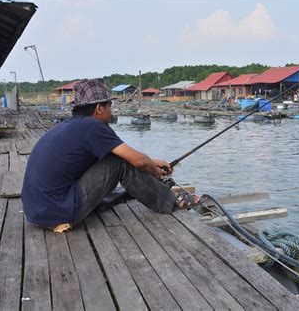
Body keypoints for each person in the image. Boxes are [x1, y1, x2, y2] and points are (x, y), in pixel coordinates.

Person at [21, 79, 198, 231]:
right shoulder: (94, 127)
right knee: (118, 162)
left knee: (115, 158)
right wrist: (155, 172)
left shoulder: (72, 126)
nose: (111, 111)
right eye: (109, 106)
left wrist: (153, 162)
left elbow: (136, 159)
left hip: (38, 211)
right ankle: (172, 203)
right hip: (59, 211)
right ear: (99, 108)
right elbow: (137, 161)